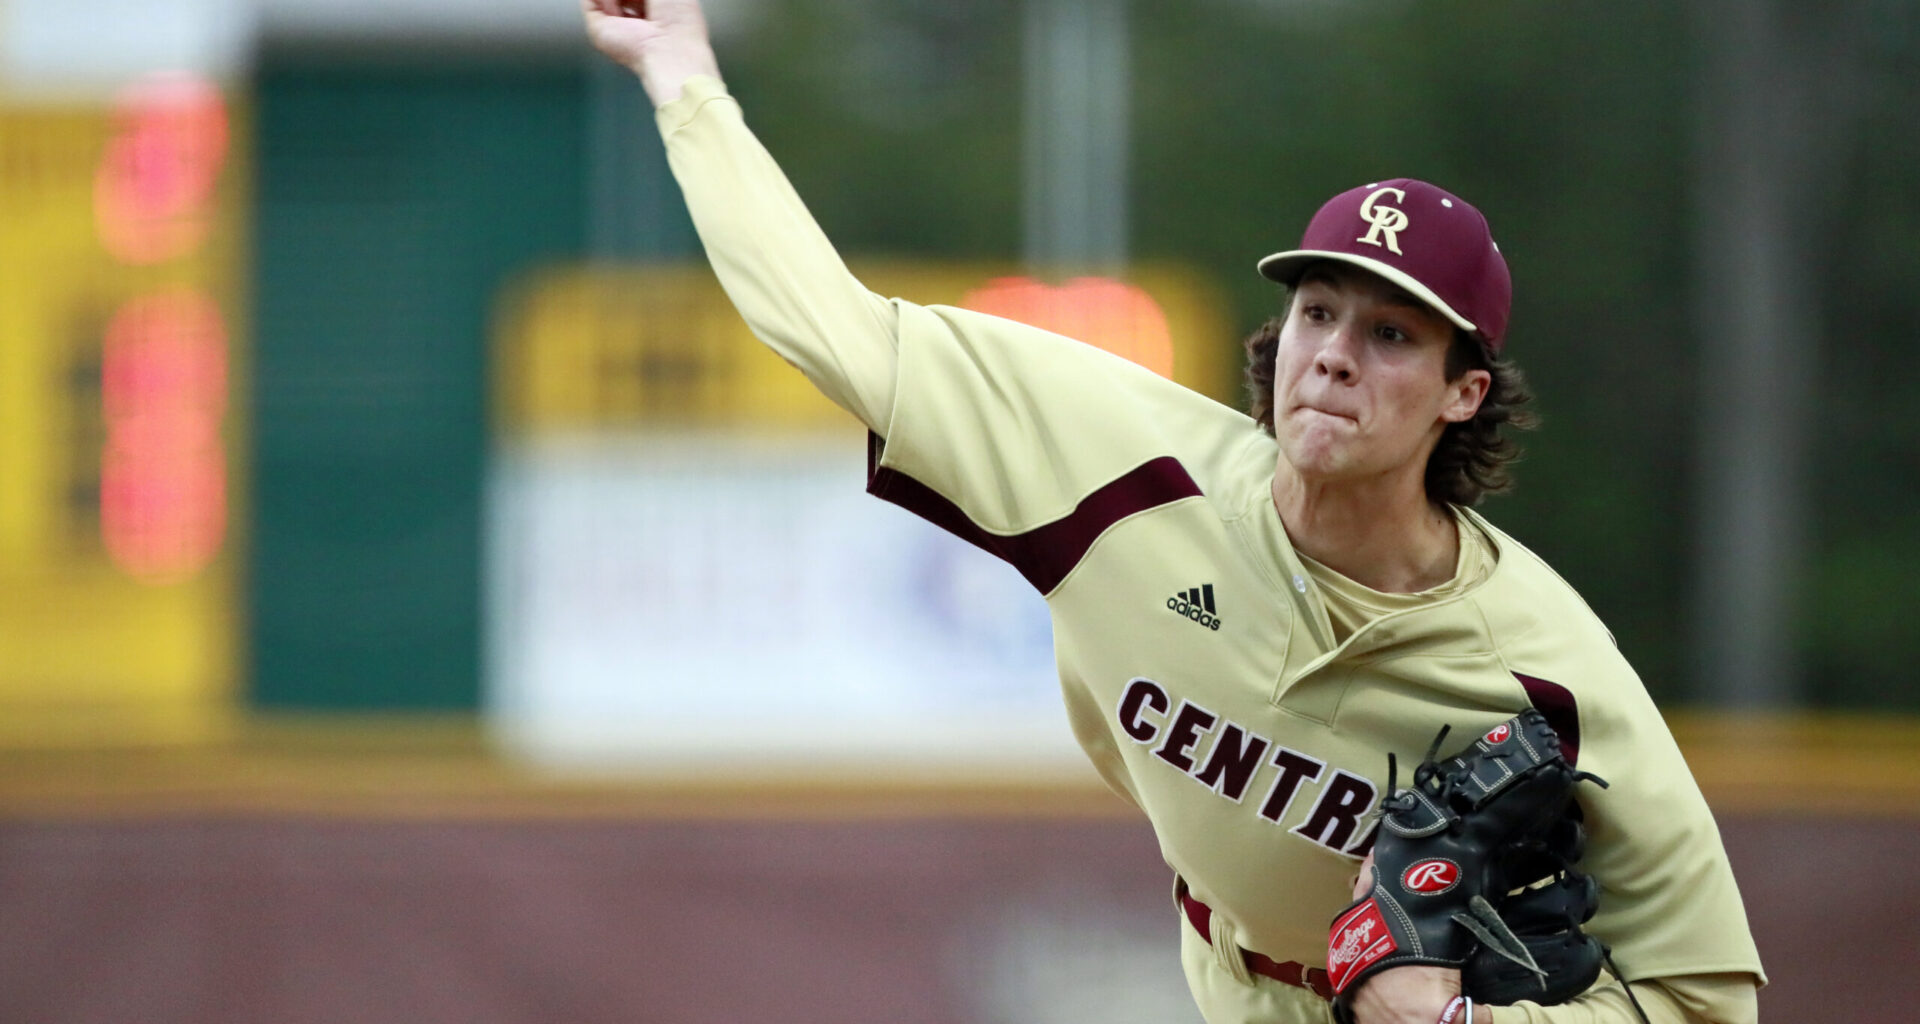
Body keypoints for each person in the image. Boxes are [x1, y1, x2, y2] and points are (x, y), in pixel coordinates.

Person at [580, 3, 1767, 1022]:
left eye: (1391, 333)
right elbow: (828, 324)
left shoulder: (1550, 673)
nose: (1334, 354)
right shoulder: (1127, 474)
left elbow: (1709, 997)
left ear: (1465, 393)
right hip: (1226, 978)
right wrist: (682, 73)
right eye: (1317, 312)